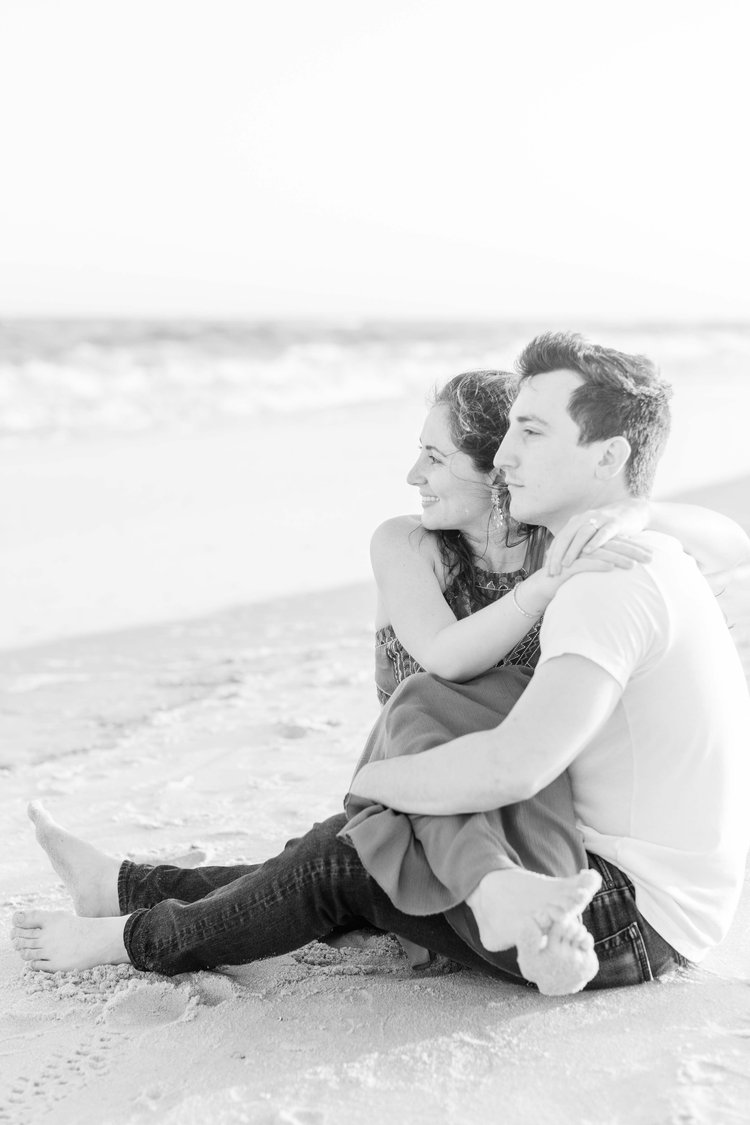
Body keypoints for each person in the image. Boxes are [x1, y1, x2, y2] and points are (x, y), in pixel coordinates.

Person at [11, 334, 750, 997]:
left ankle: (131, 934)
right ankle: (127, 887)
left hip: (616, 912)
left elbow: (513, 766)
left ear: (607, 455)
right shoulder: (590, 561)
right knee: (360, 830)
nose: (510, 457)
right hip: (620, 884)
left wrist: (373, 783)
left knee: (346, 855)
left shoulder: (602, 576)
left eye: (530, 432)